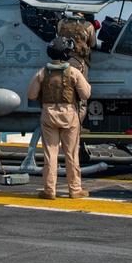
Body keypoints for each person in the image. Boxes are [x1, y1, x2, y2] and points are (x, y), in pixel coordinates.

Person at [25, 36, 92, 200]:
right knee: (71, 154)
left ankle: (49, 190)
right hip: (69, 114)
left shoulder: (42, 72)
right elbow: (85, 94)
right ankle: (75, 189)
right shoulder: (73, 72)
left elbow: (31, 94)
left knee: (50, 154)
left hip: (48, 115)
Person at [56, 10, 96, 121]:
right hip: (79, 63)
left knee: (64, 95)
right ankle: (77, 125)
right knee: (82, 96)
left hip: (63, 62)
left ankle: (64, 122)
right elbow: (92, 44)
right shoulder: (88, 25)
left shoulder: (62, 23)